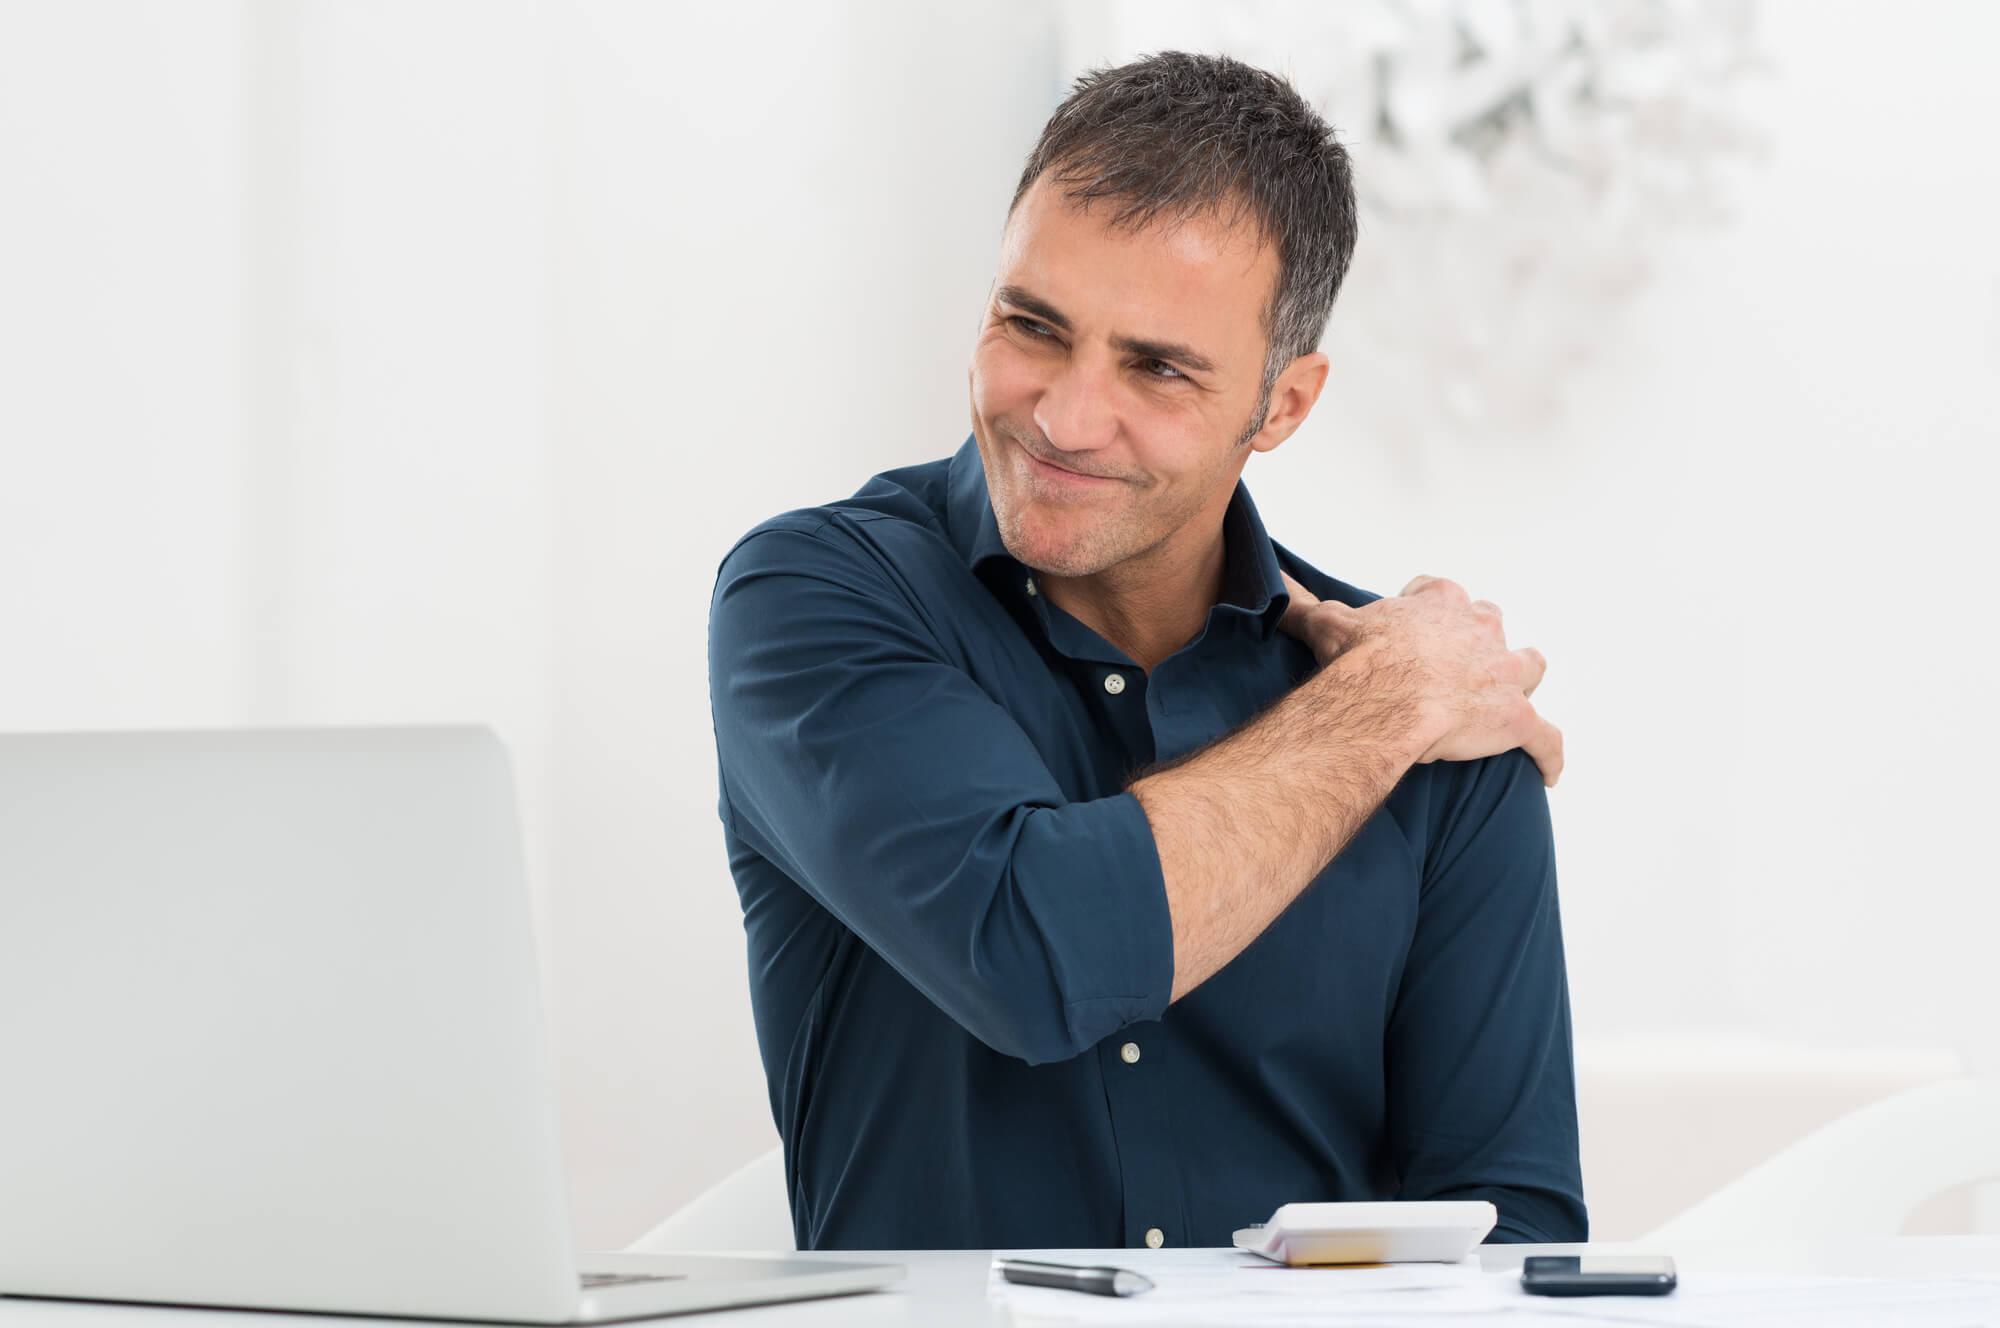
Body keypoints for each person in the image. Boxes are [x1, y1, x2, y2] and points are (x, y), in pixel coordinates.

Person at [707, 51, 1585, 1250]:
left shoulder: (1445, 734)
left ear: (1281, 404)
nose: (1064, 417)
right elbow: (1030, 950)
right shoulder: (817, 597)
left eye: (1157, 367)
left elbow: (1515, 1226)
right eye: (1031, 325)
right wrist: (1380, 708)